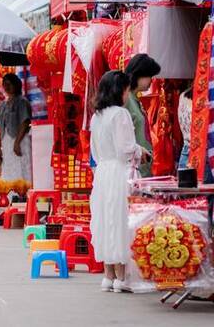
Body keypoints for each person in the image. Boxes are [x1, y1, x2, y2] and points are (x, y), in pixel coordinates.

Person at [89, 71, 150, 293]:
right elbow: (125, 150)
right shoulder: (120, 115)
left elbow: (94, 152)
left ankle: (108, 275)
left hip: (103, 172)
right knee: (122, 221)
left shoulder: (96, 116)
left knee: (106, 221)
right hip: (120, 172)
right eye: (126, 89)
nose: (127, 94)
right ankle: (122, 277)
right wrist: (140, 150)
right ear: (120, 90)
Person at [124, 54, 161, 177]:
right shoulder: (126, 100)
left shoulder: (135, 100)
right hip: (134, 169)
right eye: (150, 76)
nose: (152, 80)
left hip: (142, 166)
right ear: (139, 75)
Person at [0, 73, 32, 183]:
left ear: (16, 85)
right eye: (4, 84)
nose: (6, 87)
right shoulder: (3, 105)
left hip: (20, 140)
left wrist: (17, 143)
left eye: (9, 84)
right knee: (8, 166)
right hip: (6, 141)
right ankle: (10, 193)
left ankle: (23, 192)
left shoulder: (22, 101)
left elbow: (25, 123)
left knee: (21, 164)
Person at [177, 87, 213, 182]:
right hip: (204, 157)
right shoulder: (208, 101)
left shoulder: (183, 96)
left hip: (186, 153)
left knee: (187, 195)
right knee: (205, 195)